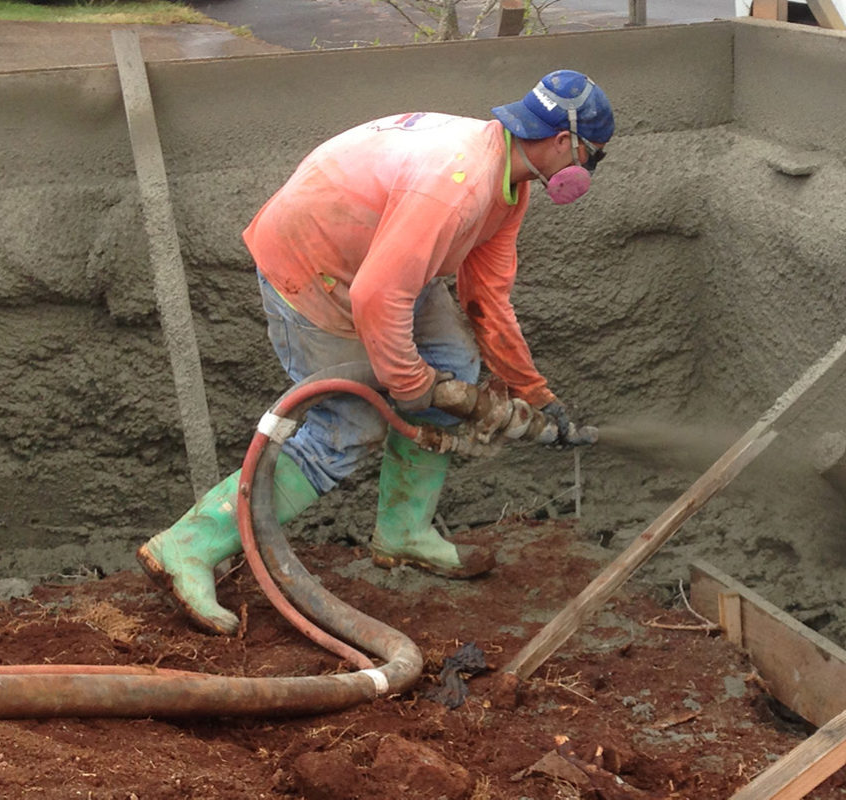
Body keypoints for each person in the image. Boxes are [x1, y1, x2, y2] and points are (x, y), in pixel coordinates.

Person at [139, 69, 615, 635]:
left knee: (456, 366)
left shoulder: (508, 186)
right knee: (347, 428)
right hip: (316, 267)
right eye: (592, 157)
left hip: (382, 254)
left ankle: (404, 532)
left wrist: (534, 391)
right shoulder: (458, 185)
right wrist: (411, 382)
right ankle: (187, 545)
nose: (586, 172)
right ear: (563, 141)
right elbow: (375, 294)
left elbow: (486, 296)